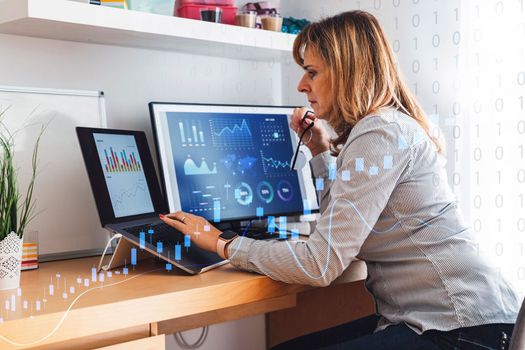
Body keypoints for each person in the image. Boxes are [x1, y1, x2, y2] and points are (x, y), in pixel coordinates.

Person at [160, 10, 521, 350]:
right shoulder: (384, 127)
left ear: (348, 73)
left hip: (462, 329)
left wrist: (221, 242)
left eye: (312, 72)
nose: (302, 85)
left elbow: (320, 264)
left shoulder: (380, 133)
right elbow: (340, 227)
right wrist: (319, 153)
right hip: (442, 321)